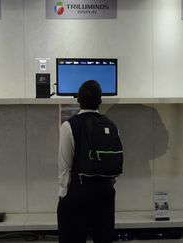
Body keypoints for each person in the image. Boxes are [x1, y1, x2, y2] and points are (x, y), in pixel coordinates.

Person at [57, 80, 120, 243]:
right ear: (100, 101)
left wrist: (63, 197)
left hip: (78, 194)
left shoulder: (69, 126)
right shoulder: (112, 126)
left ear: (78, 99)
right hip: (105, 194)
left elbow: (65, 167)